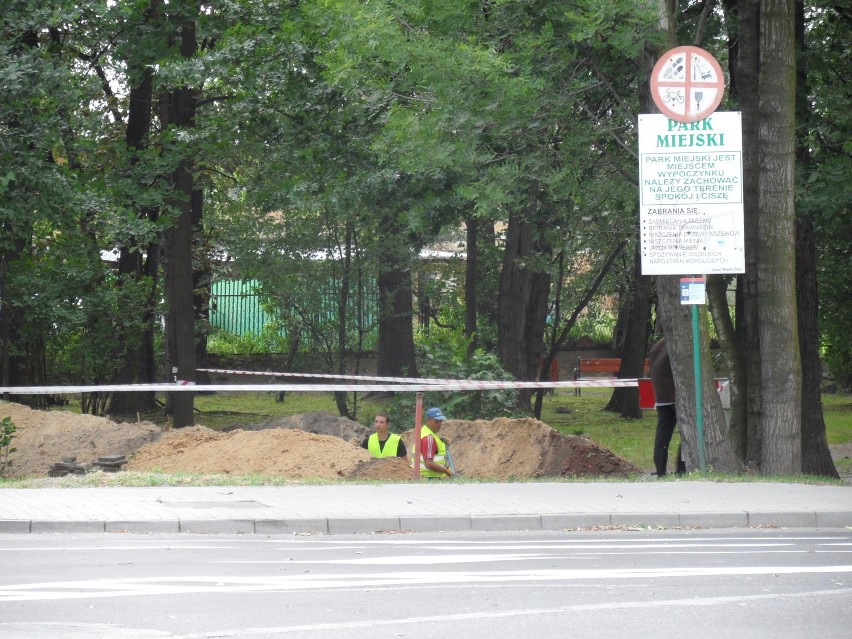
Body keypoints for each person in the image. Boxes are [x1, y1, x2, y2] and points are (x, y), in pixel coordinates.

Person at [649, 338, 685, 477]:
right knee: (687, 434)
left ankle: (660, 470)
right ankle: (682, 469)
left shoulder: (660, 344)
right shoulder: (679, 342)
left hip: (661, 396)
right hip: (675, 396)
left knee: (662, 435)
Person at [413, 407, 454, 479]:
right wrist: (446, 471)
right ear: (428, 420)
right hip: (428, 478)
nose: (439, 424)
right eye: (436, 421)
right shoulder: (429, 438)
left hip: (422, 477)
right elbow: (429, 463)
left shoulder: (424, 432)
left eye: (440, 421)